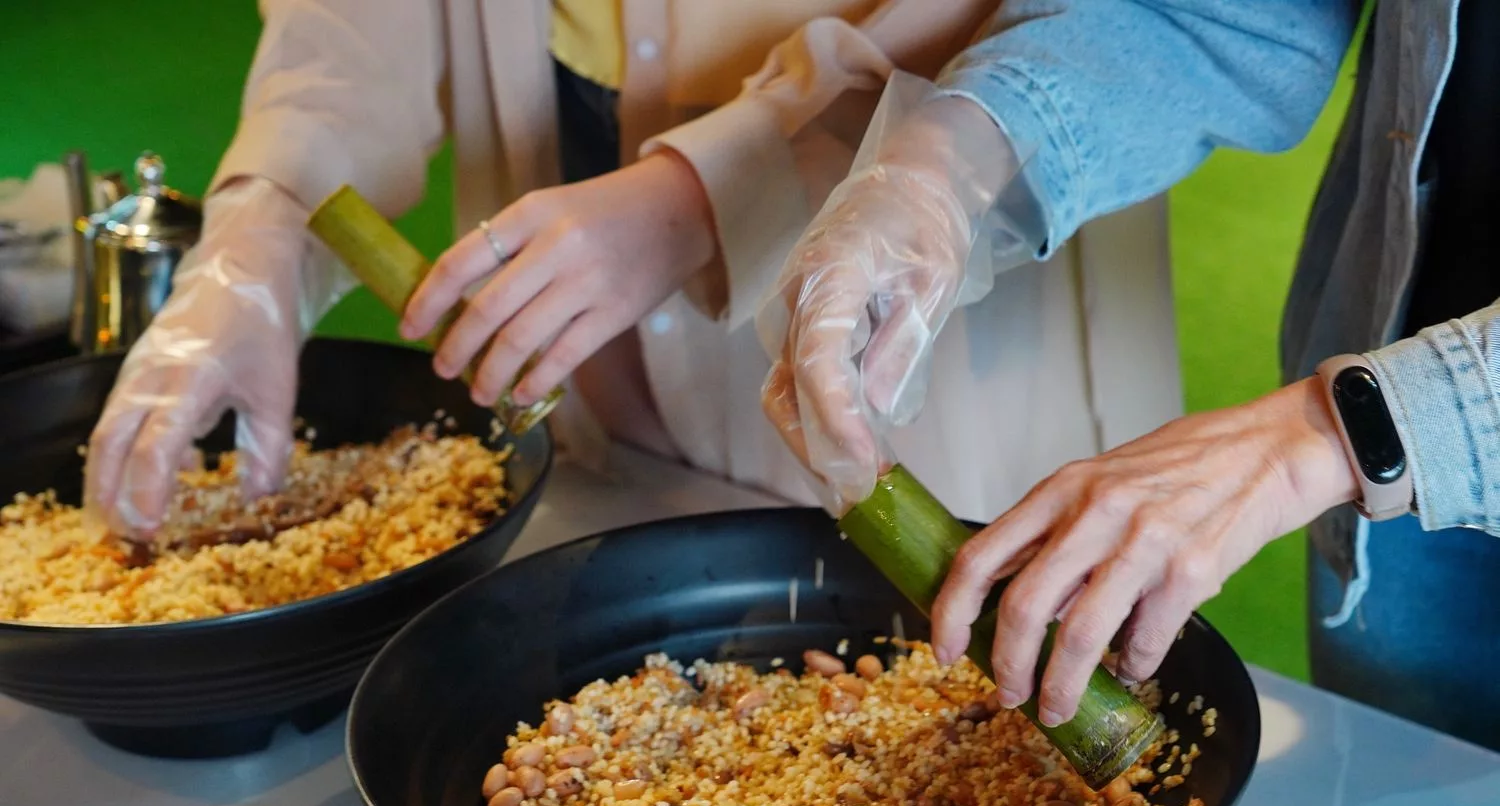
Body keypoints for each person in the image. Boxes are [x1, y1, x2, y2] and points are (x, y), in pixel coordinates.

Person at [83, 0, 1183, 543]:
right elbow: (348, 29)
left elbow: (1069, 26)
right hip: (579, 328)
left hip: (947, 306)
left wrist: (705, 194)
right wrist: (266, 216)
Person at [766, 0, 1500, 750]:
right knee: (1418, 795)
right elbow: (1233, 18)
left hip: (1380, 439)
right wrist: (951, 157)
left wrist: (1339, 433)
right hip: (1393, 444)